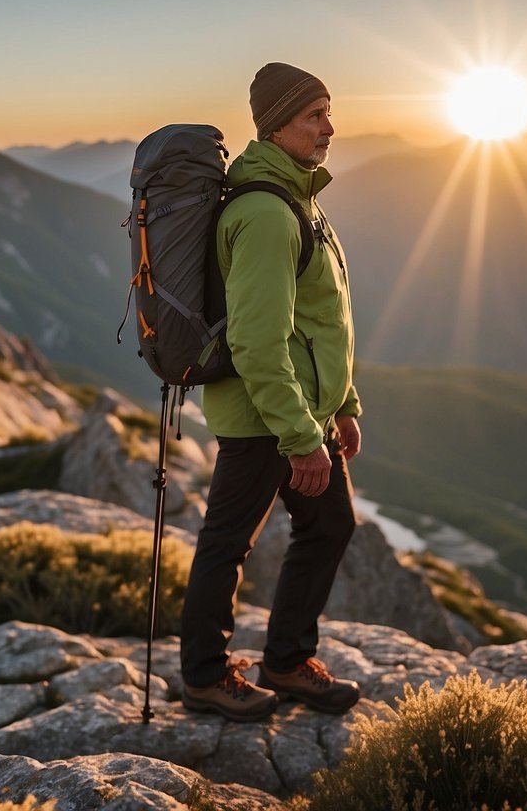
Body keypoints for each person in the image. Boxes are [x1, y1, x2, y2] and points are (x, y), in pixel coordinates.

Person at [180, 62, 363, 721]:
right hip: (265, 417)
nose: (328, 127)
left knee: (328, 524)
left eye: (326, 111)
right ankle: (203, 675)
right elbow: (259, 343)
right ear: (276, 123)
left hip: (297, 412)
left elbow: (319, 320)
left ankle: (286, 662)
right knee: (228, 543)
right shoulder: (263, 212)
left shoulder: (294, 198)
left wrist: (341, 406)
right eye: (314, 114)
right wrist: (298, 436)